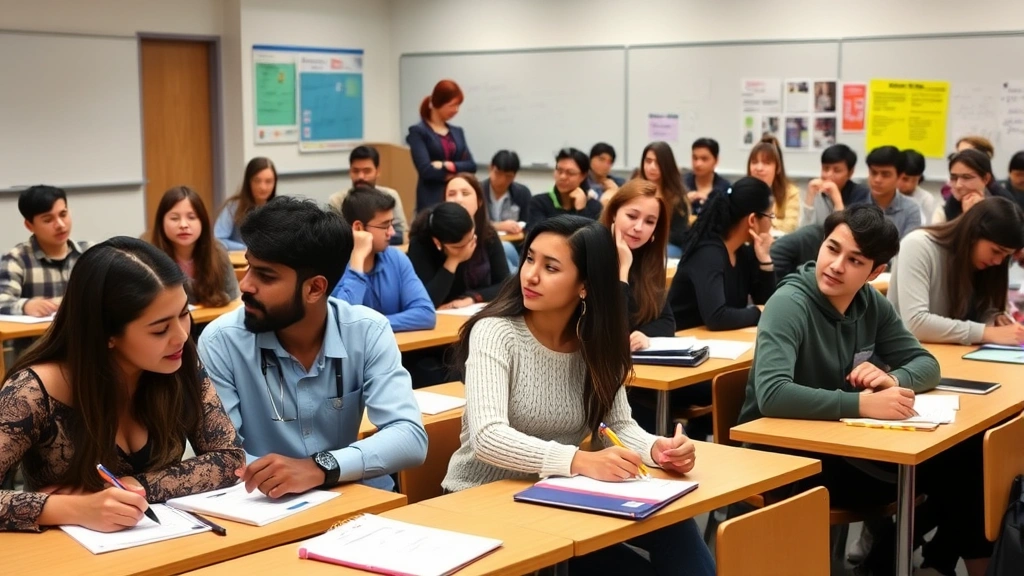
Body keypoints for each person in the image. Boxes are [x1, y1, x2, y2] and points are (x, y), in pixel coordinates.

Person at [441, 216, 716, 576]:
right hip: (481, 501)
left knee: (675, 528)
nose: (530, 275)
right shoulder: (496, 332)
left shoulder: (597, 341)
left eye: (550, 267)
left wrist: (656, 449)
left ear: (584, 285)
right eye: (529, 259)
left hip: (556, 498)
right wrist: (578, 462)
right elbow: (487, 438)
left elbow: (615, 425)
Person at [738, 204, 991, 576]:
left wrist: (895, 380)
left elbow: (927, 365)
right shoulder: (788, 303)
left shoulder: (868, 302)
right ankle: (898, 560)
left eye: (855, 260)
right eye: (832, 248)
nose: (836, 265)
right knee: (959, 475)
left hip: (844, 443)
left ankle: (894, 559)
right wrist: (864, 404)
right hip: (789, 455)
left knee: (971, 460)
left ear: (875, 272)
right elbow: (772, 395)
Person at [0, 237, 244, 532]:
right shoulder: (33, 391)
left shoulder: (179, 359)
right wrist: (72, 509)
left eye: (184, 314)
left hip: (163, 541)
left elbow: (230, 460)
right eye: (160, 329)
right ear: (107, 335)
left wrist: (135, 487)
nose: (181, 336)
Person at [198, 198, 427, 494]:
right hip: (266, 507)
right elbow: (224, 457)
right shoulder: (222, 341)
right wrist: (281, 476)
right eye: (249, 268)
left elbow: (410, 438)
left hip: (351, 498)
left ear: (315, 288)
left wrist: (320, 467)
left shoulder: (367, 330)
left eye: (265, 276)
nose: (246, 285)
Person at [889, 197, 1024, 345]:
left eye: (1005, 257)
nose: (998, 261)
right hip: (905, 359)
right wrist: (986, 332)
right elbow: (916, 323)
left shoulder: (984, 265)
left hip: (954, 356)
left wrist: (993, 319)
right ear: (973, 233)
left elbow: (981, 309)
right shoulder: (917, 245)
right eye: (996, 251)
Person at [668, 177, 776, 331]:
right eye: (770, 216)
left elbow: (769, 306)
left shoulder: (743, 251)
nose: (772, 223)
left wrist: (765, 260)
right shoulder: (708, 254)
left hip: (716, 343)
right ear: (752, 219)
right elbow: (716, 318)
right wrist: (757, 312)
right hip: (682, 342)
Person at [331, 187, 436, 332]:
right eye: (385, 226)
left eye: (391, 224)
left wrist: (370, 325)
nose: (392, 232)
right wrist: (357, 263)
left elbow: (426, 314)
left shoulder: (396, 258)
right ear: (359, 228)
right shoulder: (332, 266)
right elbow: (342, 323)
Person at [599, 179, 675, 350]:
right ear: (613, 213)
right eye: (632, 216)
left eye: (649, 222)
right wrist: (623, 270)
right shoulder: (590, 255)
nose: (639, 227)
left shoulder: (647, 261)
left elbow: (667, 322)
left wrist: (643, 334)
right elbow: (611, 331)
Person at [0, 185, 88, 317]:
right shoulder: (17, 259)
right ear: (29, 225)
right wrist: (26, 306)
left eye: (63, 214)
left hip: (79, 336)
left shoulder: (89, 253)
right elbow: (2, 302)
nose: (60, 225)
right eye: (48, 220)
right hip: (37, 337)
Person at [407, 200, 509, 310]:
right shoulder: (420, 244)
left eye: (472, 237)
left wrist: (473, 298)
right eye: (460, 246)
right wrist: (453, 261)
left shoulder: (486, 232)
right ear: (438, 243)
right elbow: (426, 301)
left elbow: (506, 284)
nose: (470, 246)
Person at [149, 186, 239, 308]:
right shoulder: (150, 261)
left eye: (191, 217)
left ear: (203, 221)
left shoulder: (219, 254)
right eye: (174, 218)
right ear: (161, 223)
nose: (183, 225)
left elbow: (234, 303)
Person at [406, 79, 475, 211]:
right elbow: (426, 170)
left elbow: (471, 165)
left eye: (458, 106)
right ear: (438, 103)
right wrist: (457, 173)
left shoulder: (457, 132)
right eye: (452, 105)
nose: (456, 110)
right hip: (431, 200)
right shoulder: (418, 132)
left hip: (457, 199)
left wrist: (447, 165)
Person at [328, 146, 408, 245]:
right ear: (350, 171)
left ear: (377, 171)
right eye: (356, 171)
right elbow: (336, 237)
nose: (360, 176)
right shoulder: (337, 200)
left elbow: (403, 234)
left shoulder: (390, 196)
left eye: (367, 171)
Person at [636, 142, 691, 258]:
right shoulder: (633, 190)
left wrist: (652, 236)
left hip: (665, 245)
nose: (652, 167)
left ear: (667, 165)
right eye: (648, 161)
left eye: (658, 163)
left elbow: (678, 235)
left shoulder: (677, 198)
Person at [527, 148, 602, 230]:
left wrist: (581, 210)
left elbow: (590, 239)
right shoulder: (539, 203)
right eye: (559, 171)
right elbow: (536, 236)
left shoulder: (595, 207)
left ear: (583, 176)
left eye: (570, 173)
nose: (562, 177)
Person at [481, 150, 531, 269]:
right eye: (498, 173)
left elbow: (529, 225)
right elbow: (471, 224)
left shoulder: (522, 193)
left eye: (508, 176)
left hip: (514, 246)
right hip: (484, 247)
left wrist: (519, 229)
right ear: (490, 168)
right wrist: (497, 226)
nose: (502, 180)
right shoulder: (477, 190)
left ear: (514, 175)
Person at [799, 144, 870, 227]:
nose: (829, 175)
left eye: (837, 170)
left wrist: (836, 197)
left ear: (850, 173)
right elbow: (804, 229)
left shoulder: (861, 194)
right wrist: (809, 198)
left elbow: (846, 232)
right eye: (825, 169)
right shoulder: (816, 191)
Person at [215, 157, 277, 251]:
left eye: (268, 181)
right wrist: (247, 249)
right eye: (257, 181)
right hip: (239, 260)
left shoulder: (279, 208)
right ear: (248, 182)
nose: (263, 187)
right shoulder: (233, 207)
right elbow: (218, 240)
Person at [935, 149, 1013, 223]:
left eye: (966, 177)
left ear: (986, 179)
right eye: (954, 178)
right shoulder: (945, 210)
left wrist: (975, 214)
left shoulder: (1005, 207)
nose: (958, 185)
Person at [746, 135, 800, 233]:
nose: (759, 168)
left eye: (766, 163)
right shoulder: (741, 191)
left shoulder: (791, 192)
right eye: (754, 162)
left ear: (778, 167)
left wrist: (762, 221)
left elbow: (789, 226)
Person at [865, 146, 921, 239]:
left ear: (899, 177)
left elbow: (909, 248)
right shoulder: (856, 202)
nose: (877, 180)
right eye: (873, 173)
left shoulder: (911, 209)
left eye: (885, 175)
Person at [684, 137, 731, 216]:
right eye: (695, 158)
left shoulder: (725, 188)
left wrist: (710, 202)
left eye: (704, 159)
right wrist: (683, 202)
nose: (698, 164)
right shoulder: (681, 183)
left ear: (716, 161)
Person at [897, 149, 940, 225]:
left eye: (914, 180)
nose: (909, 185)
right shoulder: (886, 195)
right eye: (905, 179)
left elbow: (929, 227)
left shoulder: (926, 199)